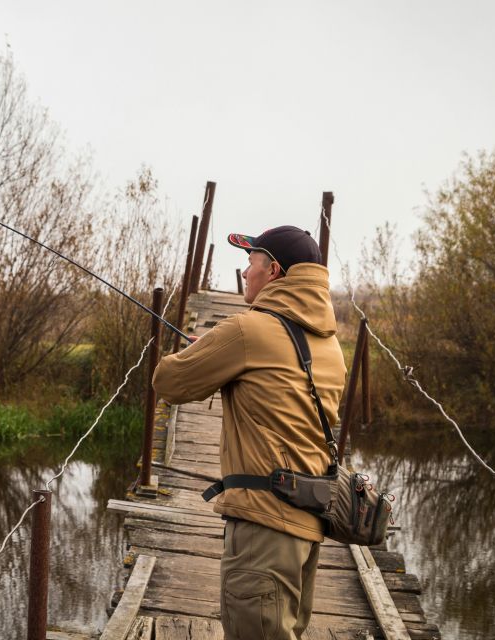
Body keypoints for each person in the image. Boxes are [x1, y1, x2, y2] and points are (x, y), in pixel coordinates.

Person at [153, 225, 346, 640]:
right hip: (307, 523)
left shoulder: (246, 330)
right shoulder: (329, 345)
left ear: (273, 270)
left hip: (264, 528)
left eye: (250, 262)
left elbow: (169, 382)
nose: (244, 272)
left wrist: (200, 349)